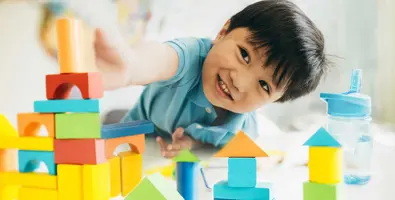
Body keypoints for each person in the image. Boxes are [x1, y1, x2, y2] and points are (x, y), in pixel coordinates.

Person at [94, 0, 329, 158]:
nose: (240, 82)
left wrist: (193, 143)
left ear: (273, 101)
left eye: (264, 85)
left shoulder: (239, 126)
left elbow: (216, 141)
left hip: (178, 142)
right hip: (142, 124)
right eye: (244, 55)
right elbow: (161, 58)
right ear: (223, 32)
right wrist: (130, 66)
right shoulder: (191, 56)